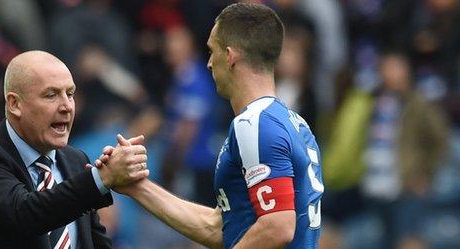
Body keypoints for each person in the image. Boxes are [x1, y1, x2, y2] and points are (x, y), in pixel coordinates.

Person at [96, 3, 324, 249]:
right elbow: (219, 227)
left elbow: (277, 226)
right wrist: (137, 187)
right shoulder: (294, 124)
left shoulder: (255, 124)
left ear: (230, 56)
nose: (208, 63)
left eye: (211, 51)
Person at [0, 51, 149, 249]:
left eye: (70, 94)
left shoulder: (75, 160)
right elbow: (26, 215)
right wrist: (101, 178)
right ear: (15, 104)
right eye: (51, 95)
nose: (66, 106)